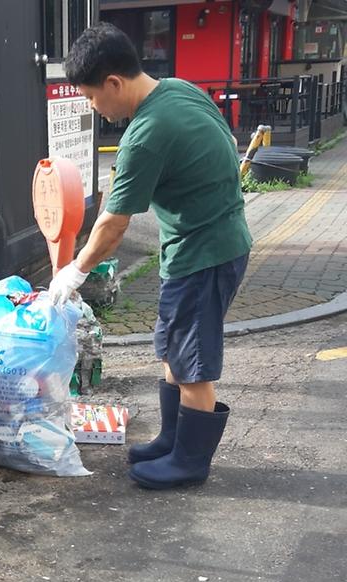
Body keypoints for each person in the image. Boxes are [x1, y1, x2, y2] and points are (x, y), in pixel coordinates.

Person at [48, 23, 252, 490]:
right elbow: (223, 142)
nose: (92, 107)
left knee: (192, 361)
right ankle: (172, 440)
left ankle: (190, 462)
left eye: (92, 97)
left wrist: (75, 271)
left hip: (205, 253)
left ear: (114, 84)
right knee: (173, 345)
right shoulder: (178, 90)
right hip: (204, 243)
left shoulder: (145, 134)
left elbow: (114, 224)